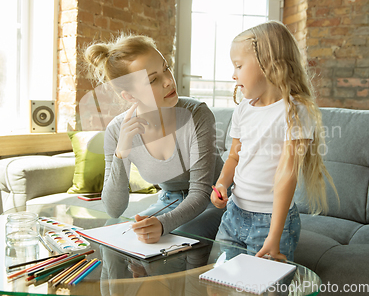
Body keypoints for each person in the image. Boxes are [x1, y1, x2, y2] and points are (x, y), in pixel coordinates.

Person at [211, 21, 337, 263]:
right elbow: (234, 157)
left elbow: (287, 174)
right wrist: (221, 185)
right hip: (234, 214)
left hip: (269, 223)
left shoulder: (295, 111)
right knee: (219, 283)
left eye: (238, 65)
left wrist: (275, 234)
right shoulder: (243, 110)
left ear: (267, 64)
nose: (233, 74)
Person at [84, 33, 224, 244]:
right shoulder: (117, 130)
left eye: (166, 67)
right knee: (125, 235)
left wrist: (162, 224)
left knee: (180, 235)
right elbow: (114, 208)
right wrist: (121, 153)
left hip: (215, 200)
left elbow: (200, 193)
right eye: (153, 80)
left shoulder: (197, 114)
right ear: (130, 97)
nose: (169, 81)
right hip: (169, 201)